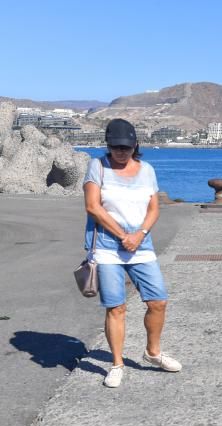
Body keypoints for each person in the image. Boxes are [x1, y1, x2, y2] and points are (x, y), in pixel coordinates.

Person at [83, 118, 181, 388]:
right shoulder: (97, 166)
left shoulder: (147, 170)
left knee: (158, 301)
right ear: (108, 145)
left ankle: (153, 352)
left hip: (141, 245)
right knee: (116, 307)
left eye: (126, 147)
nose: (121, 152)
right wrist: (122, 235)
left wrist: (140, 234)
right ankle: (116, 364)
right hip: (107, 247)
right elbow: (93, 206)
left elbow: (153, 208)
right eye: (116, 147)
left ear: (135, 144)